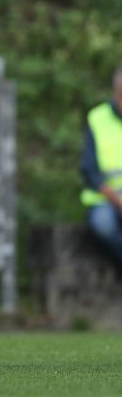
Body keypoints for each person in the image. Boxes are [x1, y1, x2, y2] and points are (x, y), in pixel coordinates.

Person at [80, 68, 122, 264]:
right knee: (104, 225)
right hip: (104, 199)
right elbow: (89, 171)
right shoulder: (97, 119)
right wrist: (117, 200)